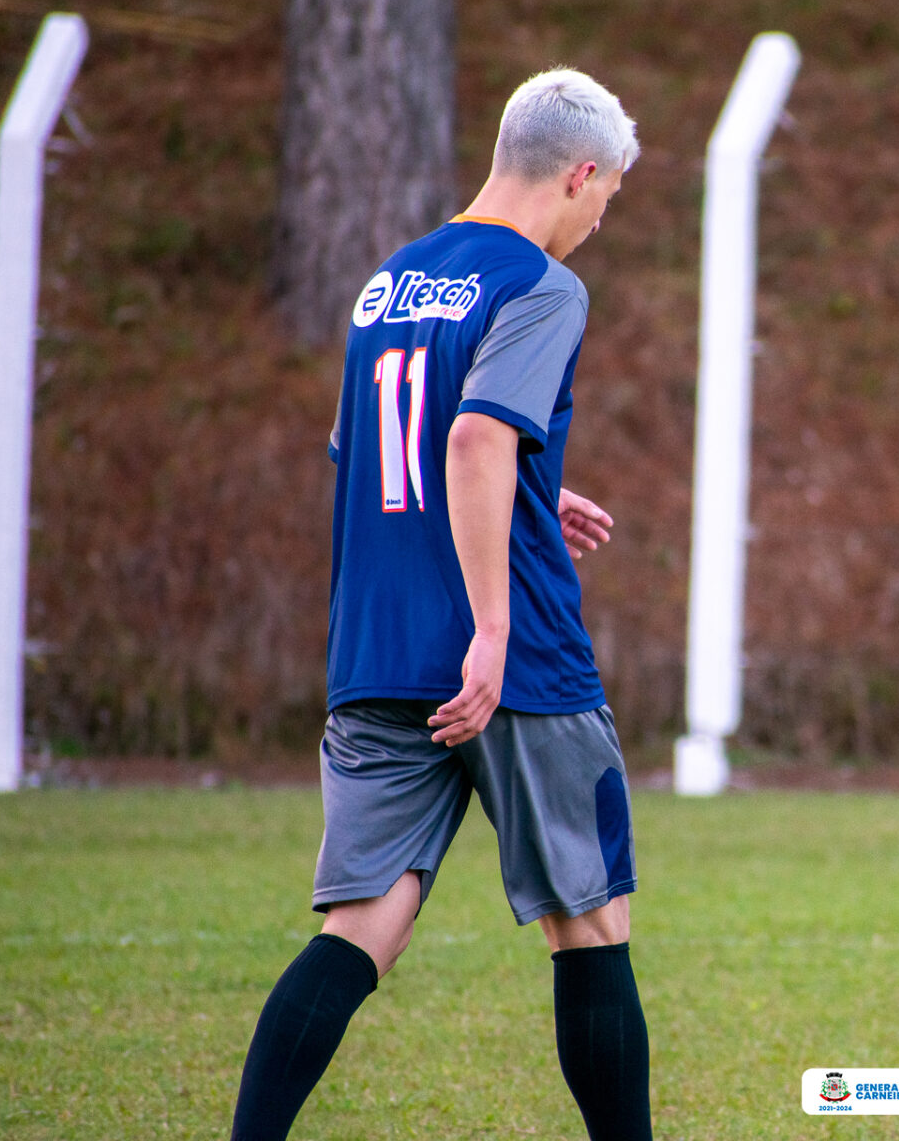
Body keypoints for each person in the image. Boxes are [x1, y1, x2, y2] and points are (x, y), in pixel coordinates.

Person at [228, 69, 651, 1140]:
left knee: (361, 923)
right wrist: (495, 630)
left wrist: (536, 490)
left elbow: (380, 457)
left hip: (377, 651)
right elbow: (467, 439)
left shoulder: (387, 284)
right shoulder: (541, 287)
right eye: (609, 197)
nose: (602, 222)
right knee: (591, 922)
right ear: (582, 172)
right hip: (516, 662)